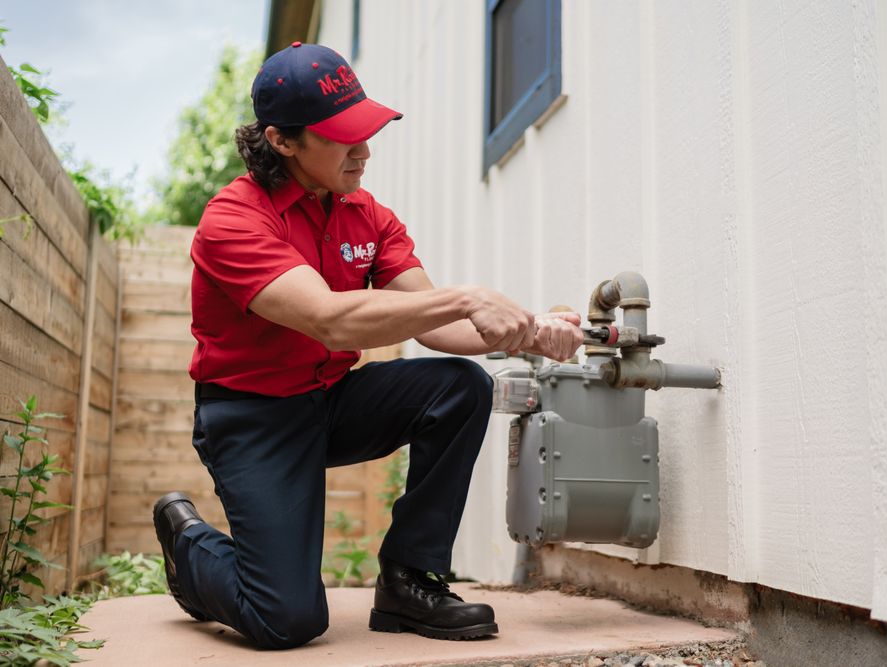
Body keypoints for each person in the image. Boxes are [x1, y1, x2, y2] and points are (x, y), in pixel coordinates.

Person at [151, 42, 582, 650]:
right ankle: (188, 544)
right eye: (342, 136)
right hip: (253, 417)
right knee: (286, 620)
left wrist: (532, 328)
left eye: (365, 130)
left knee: (459, 387)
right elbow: (331, 319)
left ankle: (410, 582)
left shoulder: (367, 214)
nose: (365, 150)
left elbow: (439, 330)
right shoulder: (234, 221)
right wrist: (467, 297)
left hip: (332, 399)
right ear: (282, 141)